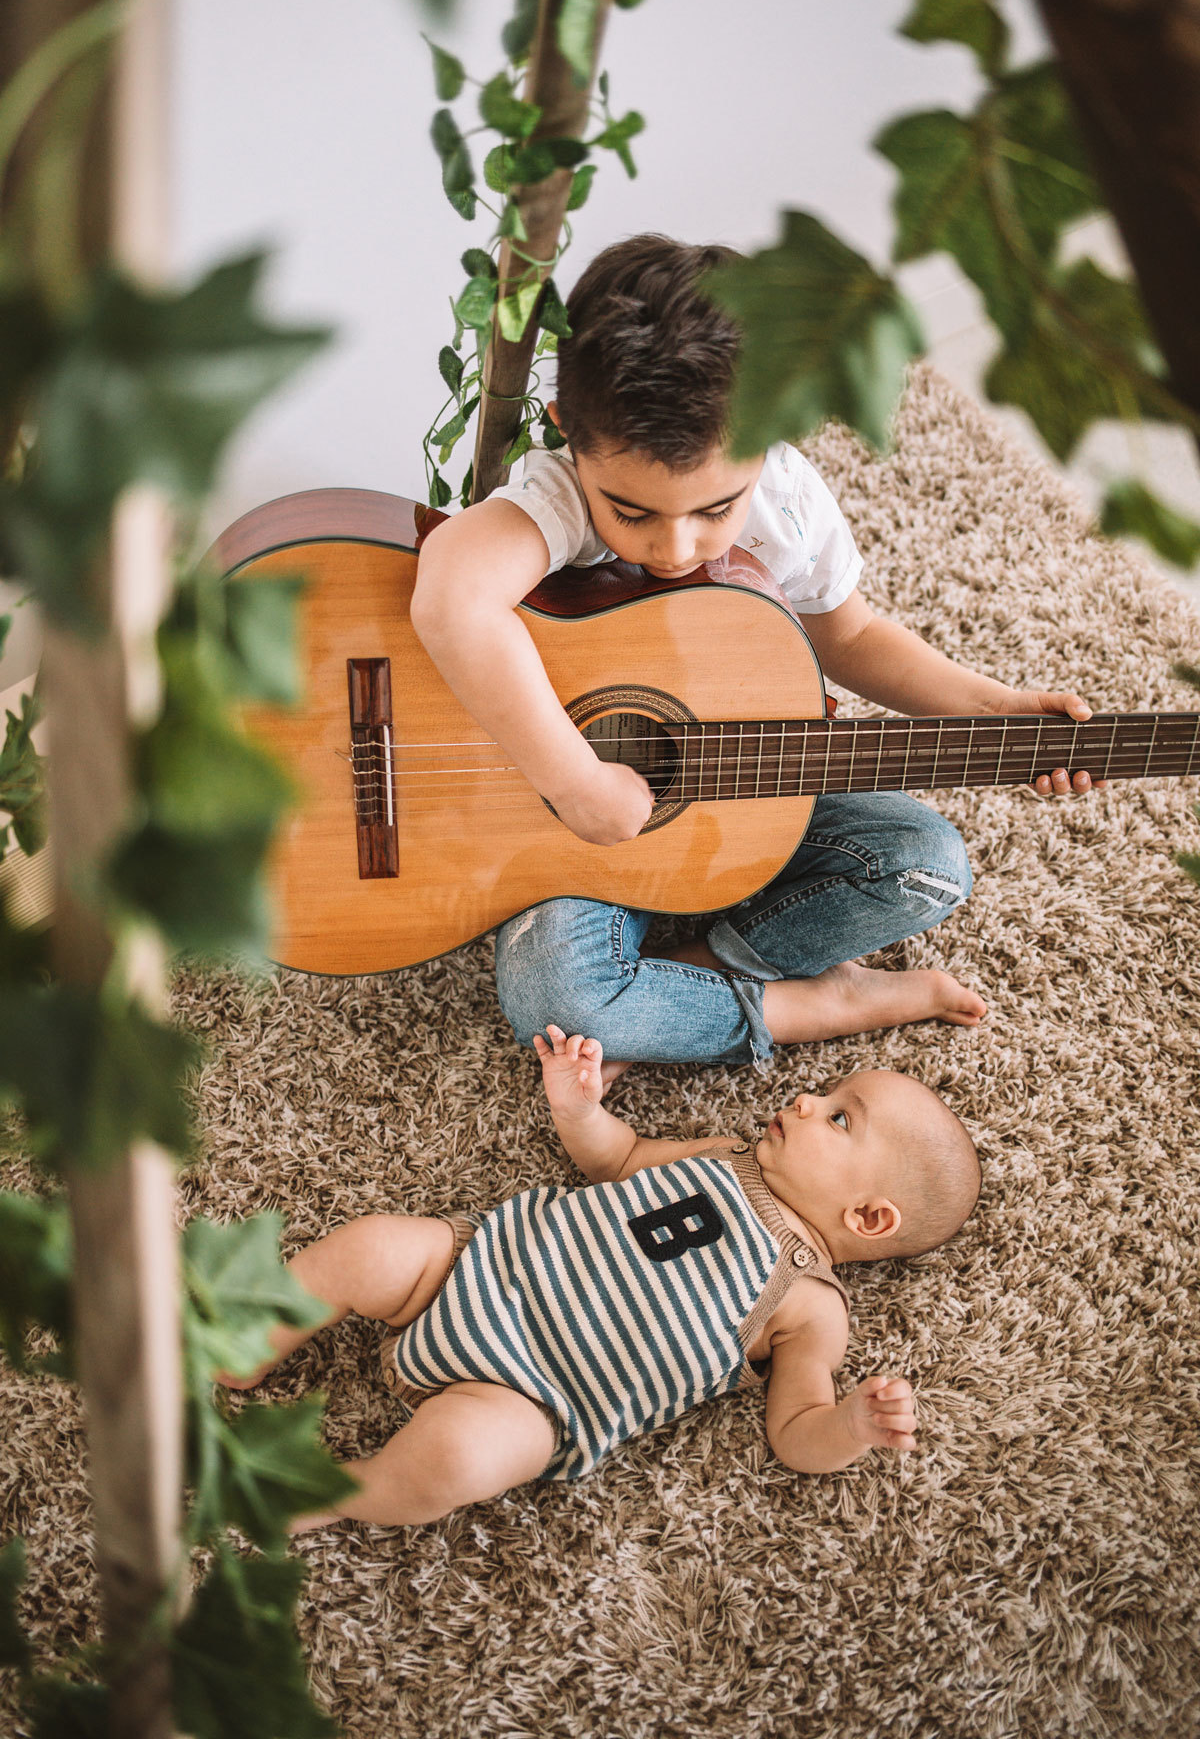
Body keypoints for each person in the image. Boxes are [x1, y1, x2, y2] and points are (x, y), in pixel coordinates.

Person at [411, 234, 1100, 1074]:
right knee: (558, 1000)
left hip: (734, 795)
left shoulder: (785, 499)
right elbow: (450, 598)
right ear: (570, 434)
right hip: (573, 837)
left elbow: (845, 634)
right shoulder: (556, 496)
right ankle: (805, 1001)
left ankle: (700, 979)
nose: (675, 544)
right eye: (630, 512)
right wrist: (574, 778)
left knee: (927, 866)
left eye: (715, 508)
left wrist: (995, 709)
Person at [218, 1027, 981, 1530]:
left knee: (456, 1459)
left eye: (841, 1119)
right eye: (831, 1092)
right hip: (473, 1269)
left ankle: (338, 1493)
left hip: (534, 1399)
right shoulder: (722, 1155)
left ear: (871, 1219)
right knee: (372, 1246)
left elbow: (793, 1432)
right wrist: (576, 1106)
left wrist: (847, 1428)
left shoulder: (811, 1306)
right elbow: (615, 1159)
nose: (810, 1099)